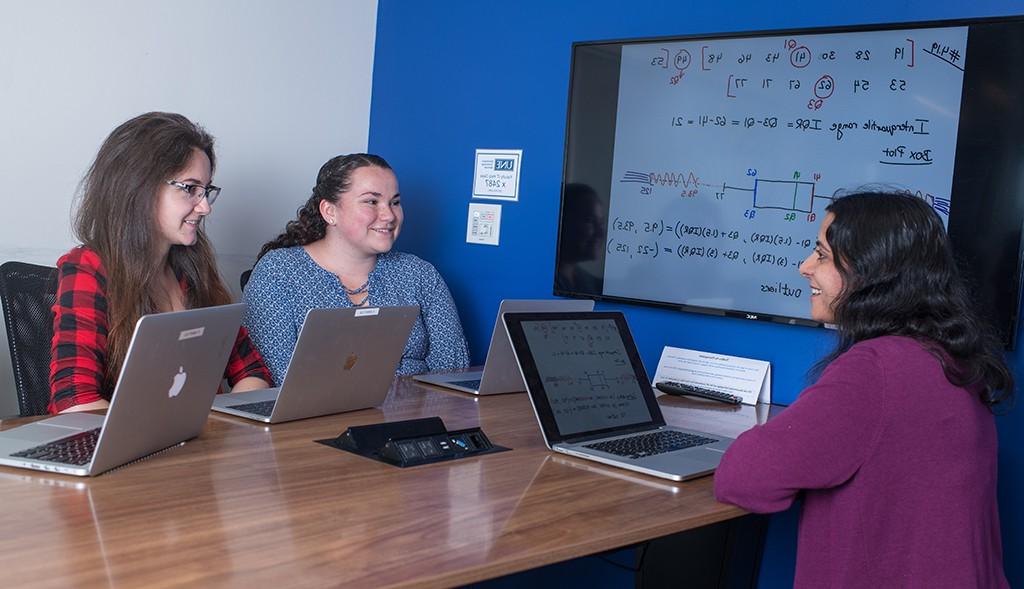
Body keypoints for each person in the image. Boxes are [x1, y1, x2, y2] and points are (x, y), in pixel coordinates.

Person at [714, 191, 1013, 588]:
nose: (805, 267)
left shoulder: (876, 370)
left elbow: (743, 478)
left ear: (871, 271)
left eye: (821, 255)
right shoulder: (953, 359)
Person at [49, 112, 272, 414]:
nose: (204, 206)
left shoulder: (192, 268)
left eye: (206, 191)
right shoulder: (89, 267)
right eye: (190, 189)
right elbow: (75, 400)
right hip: (127, 454)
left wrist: (216, 431)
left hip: (199, 446)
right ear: (139, 186)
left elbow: (252, 371)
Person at [243, 153, 469, 384]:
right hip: (315, 417)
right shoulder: (278, 272)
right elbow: (274, 378)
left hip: (416, 414)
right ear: (330, 211)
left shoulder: (419, 274)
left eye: (395, 202)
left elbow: (453, 372)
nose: (389, 215)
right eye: (372, 201)